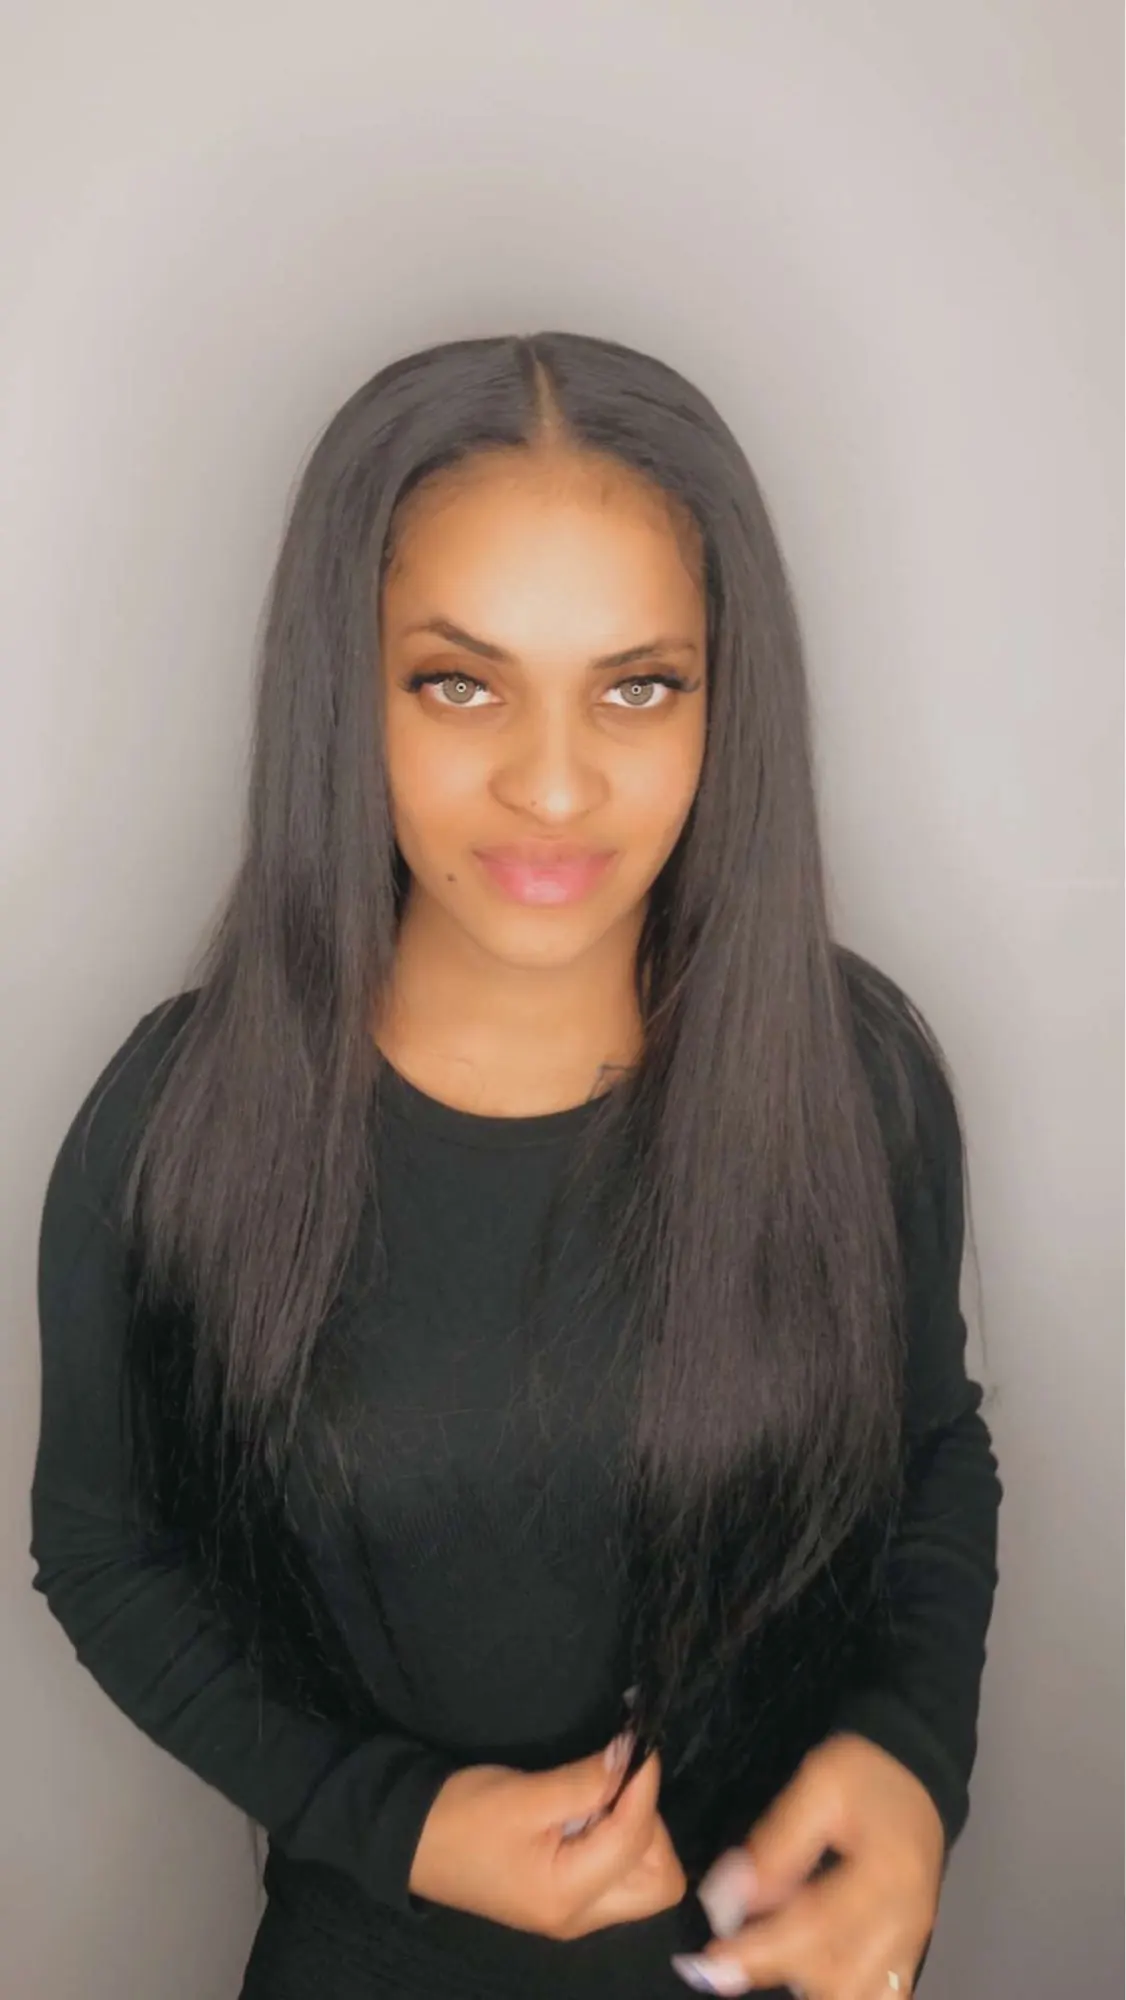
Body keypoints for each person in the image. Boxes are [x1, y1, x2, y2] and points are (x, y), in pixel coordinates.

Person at [30, 329, 1001, 2000]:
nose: (553, 785)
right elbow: (103, 1551)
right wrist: (391, 1821)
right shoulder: (179, 1127)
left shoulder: (852, 1080)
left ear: (725, 702)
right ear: (345, 691)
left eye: (638, 686)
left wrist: (913, 1762)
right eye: (459, 683)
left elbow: (925, 1452)